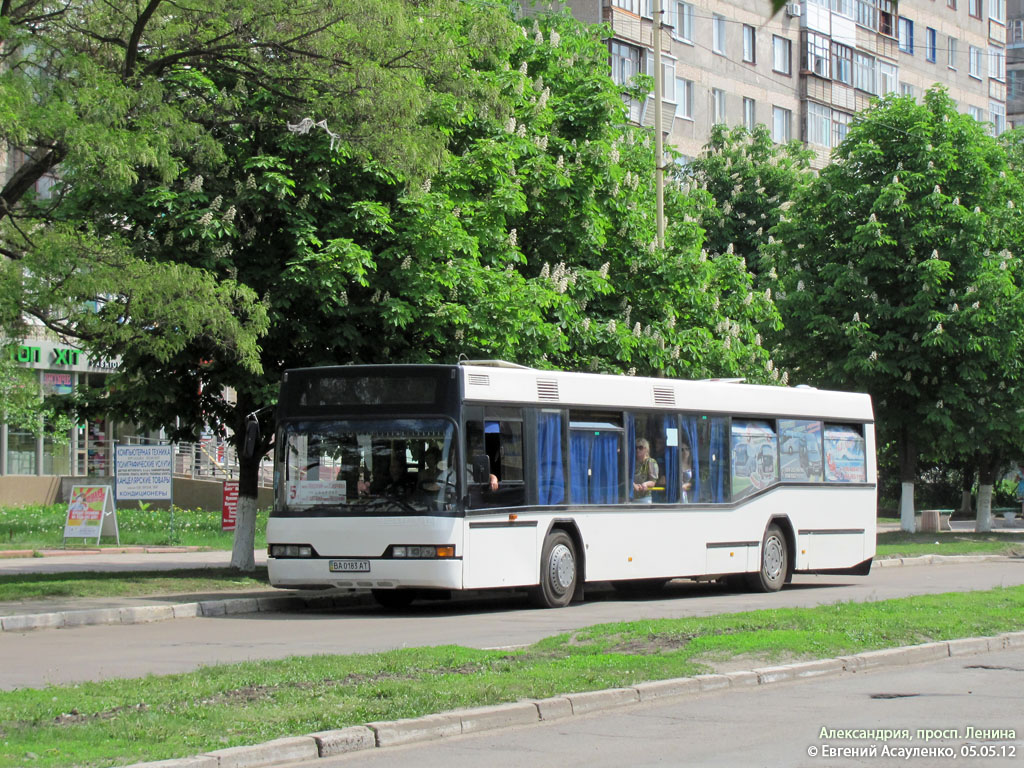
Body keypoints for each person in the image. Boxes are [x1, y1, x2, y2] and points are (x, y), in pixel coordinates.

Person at [633, 438, 658, 504]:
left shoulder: (650, 462)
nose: (637, 450)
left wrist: (645, 484)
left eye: (640, 447)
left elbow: (653, 481)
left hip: (644, 499)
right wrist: (633, 485)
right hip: (631, 499)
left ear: (646, 449)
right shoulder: (632, 463)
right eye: (636, 448)